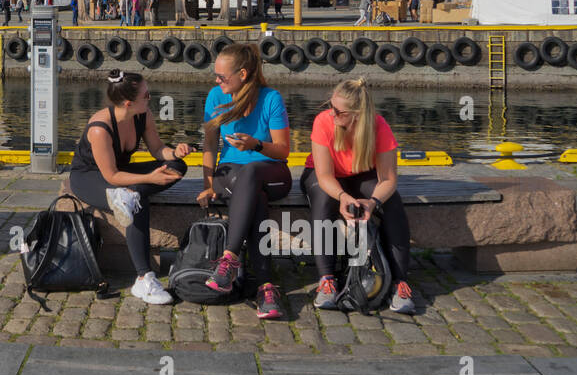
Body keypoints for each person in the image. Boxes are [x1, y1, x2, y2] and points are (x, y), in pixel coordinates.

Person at [68, 69, 191, 304]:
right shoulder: (99, 128)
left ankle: (128, 195)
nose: (150, 98)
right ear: (128, 102)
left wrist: (175, 152)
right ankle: (144, 278)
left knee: (177, 166)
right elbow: (112, 175)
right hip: (89, 178)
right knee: (137, 200)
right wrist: (149, 179)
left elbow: (157, 149)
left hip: (119, 178)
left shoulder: (142, 115)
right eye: (146, 95)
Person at [300, 77, 414, 315]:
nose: (331, 113)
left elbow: (388, 180)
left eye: (338, 110)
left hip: (362, 175)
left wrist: (373, 203)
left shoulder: (379, 126)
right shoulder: (323, 122)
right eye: (330, 106)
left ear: (357, 114)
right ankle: (327, 279)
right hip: (326, 177)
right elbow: (324, 176)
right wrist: (342, 197)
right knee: (323, 198)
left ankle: (400, 283)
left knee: (392, 201)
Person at [196, 44, 293, 319]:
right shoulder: (215, 97)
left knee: (251, 174)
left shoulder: (271, 98)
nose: (216, 81)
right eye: (215, 75)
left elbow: (283, 150)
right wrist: (207, 183)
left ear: (242, 74)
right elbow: (210, 144)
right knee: (254, 196)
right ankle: (265, 286)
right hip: (230, 175)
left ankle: (229, 259)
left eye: (221, 76)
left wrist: (257, 145)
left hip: (270, 172)